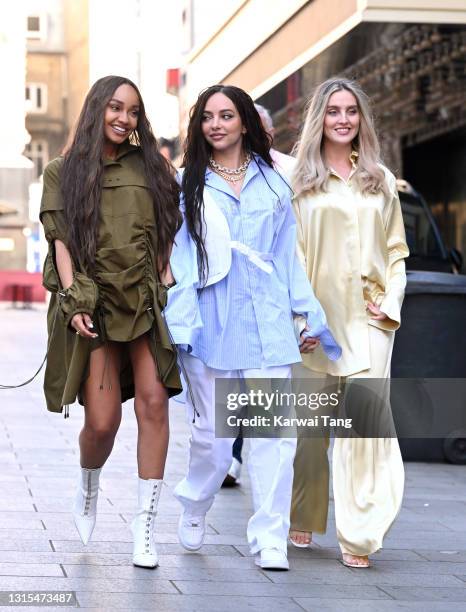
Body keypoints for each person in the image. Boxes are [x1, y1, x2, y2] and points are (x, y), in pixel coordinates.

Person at [165, 84, 340, 571]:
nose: (215, 124)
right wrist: (180, 319)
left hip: (267, 320)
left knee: (272, 436)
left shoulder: (275, 183)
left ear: (245, 122)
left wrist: (306, 315)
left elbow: (288, 259)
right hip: (210, 322)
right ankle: (196, 503)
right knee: (214, 443)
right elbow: (178, 258)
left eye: (225, 115)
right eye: (207, 117)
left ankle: (270, 538)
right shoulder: (187, 184)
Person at [39, 75, 182, 569]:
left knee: (154, 403)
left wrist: (163, 273)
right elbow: (61, 240)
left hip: (143, 301)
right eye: (116, 108)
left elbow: (168, 225)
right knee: (102, 424)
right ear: (98, 108)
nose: (124, 118)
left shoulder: (153, 167)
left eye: (134, 111)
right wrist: (75, 297)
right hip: (96, 301)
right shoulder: (64, 170)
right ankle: (88, 482)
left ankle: (145, 528)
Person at [289, 77, 408, 568]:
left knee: (363, 431)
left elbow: (398, 252)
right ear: (321, 118)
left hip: (371, 324)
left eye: (351, 111)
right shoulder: (300, 185)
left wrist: (391, 302)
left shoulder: (380, 182)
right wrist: (299, 317)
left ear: (361, 119)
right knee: (310, 429)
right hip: (318, 323)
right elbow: (291, 257)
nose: (343, 119)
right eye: (334, 110)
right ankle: (304, 513)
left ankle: (357, 535)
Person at [222, 102, 297, 487]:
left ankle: (270, 541)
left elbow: (290, 249)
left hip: (269, 308)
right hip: (219, 312)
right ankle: (202, 494)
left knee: (273, 428)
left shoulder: (284, 173)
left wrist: (303, 310)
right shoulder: (195, 178)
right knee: (212, 432)